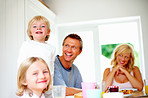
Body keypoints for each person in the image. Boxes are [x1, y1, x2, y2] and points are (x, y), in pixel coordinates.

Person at [17, 15, 56, 80]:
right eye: (34, 26)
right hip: (30, 79)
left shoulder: (51, 48)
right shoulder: (26, 45)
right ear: (30, 32)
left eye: (42, 26)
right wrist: (22, 79)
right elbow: (21, 64)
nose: (38, 28)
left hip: (44, 80)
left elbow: (51, 68)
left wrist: (50, 83)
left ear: (48, 32)